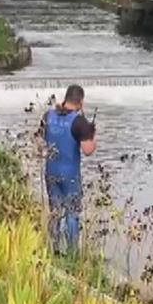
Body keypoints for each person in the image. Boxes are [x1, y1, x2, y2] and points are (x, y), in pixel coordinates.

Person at [42, 85, 96, 254]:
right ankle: (73, 254)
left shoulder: (48, 115)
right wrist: (92, 135)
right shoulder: (80, 122)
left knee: (55, 211)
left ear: (65, 98)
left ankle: (54, 249)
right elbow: (88, 150)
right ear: (80, 101)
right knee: (72, 213)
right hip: (70, 176)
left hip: (51, 172)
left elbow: (40, 139)